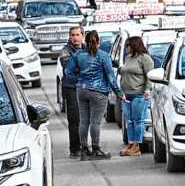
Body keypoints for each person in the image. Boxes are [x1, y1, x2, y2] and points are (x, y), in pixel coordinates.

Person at [65, 30, 125, 160]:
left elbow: (67, 71)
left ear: (85, 41)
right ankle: (96, 149)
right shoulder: (103, 56)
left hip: (82, 89)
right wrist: (119, 93)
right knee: (95, 122)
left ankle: (84, 150)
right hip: (99, 91)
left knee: (84, 121)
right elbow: (110, 76)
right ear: (98, 42)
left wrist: (79, 80)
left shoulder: (78, 55)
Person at [119, 36, 154, 157]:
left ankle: (137, 146)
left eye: (128, 45)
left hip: (139, 94)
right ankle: (130, 143)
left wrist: (147, 90)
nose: (127, 48)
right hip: (126, 94)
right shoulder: (128, 58)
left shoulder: (145, 58)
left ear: (134, 46)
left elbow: (149, 75)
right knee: (129, 121)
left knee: (138, 120)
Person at [59, 26, 84, 158]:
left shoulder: (87, 49)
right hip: (72, 88)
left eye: (78, 34)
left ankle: (85, 146)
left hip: (86, 88)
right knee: (74, 119)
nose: (75, 37)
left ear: (82, 36)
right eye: (73, 35)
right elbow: (69, 68)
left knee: (86, 119)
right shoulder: (65, 51)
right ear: (69, 37)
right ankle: (75, 148)